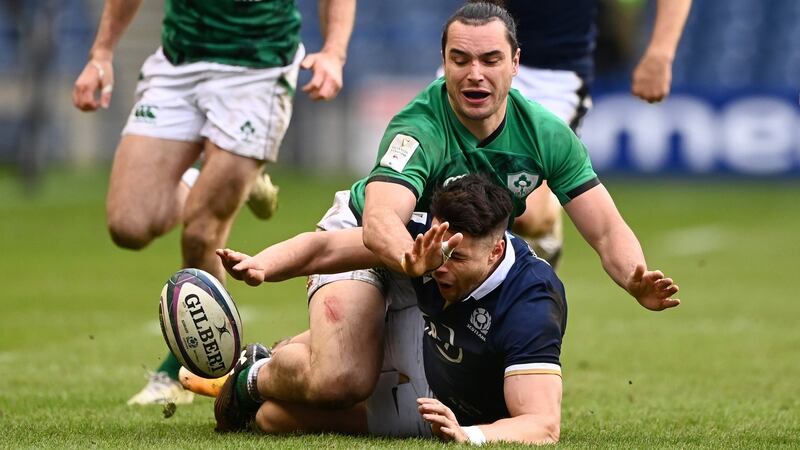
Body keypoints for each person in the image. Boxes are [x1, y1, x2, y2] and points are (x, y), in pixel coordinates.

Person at [185, 0, 678, 424]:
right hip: (368, 244)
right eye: (460, 59)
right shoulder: (418, 128)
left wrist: (633, 277)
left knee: (448, 408)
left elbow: (607, 229)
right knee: (341, 379)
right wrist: (409, 258)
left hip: (443, 266)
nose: (475, 74)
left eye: (490, 59)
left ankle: (294, 363)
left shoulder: (546, 134)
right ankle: (255, 375)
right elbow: (379, 220)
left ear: (515, 63)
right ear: (443, 62)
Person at [71, 0, 355, 405]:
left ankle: (190, 373)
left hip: (257, 67)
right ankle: (224, 175)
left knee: (203, 231)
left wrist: (333, 52)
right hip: (179, 60)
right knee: (127, 225)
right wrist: (100, 53)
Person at [188, 174, 566, 444]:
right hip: (417, 326)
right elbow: (327, 250)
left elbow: (543, 425)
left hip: (441, 402)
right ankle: (252, 377)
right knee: (335, 377)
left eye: (458, 258)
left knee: (271, 420)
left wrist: (468, 434)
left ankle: (262, 362)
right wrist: (263, 266)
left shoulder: (531, 299)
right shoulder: (425, 240)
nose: (441, 266)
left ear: (496, 251)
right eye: (440, 252)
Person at [503, 0, 693, 266]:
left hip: (550, 77)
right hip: (474, 61)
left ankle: (546, 230)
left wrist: (660, 53)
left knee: (527, 215)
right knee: (440, 196)